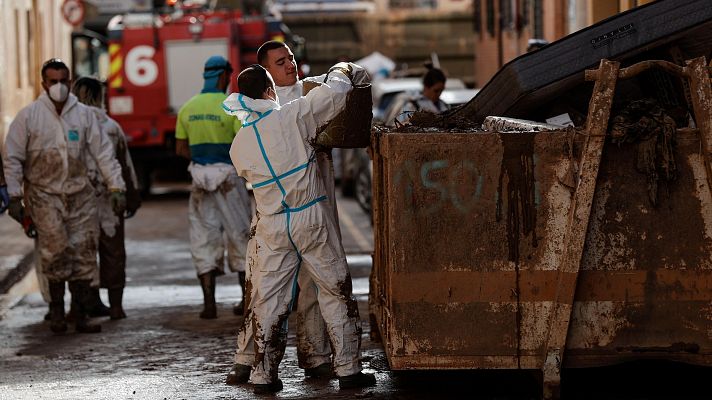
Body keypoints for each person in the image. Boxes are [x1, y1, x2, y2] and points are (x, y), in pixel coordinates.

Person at [223, 63, 376, 393]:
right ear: (268, 91)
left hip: (273, 224)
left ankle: (264, 376)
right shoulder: (293, 115)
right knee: (334, 290)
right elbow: (337, 93)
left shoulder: (239, 144)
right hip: (309, 217)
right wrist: (340, 69)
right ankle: (348, 368)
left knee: (269, 302)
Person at [225, 40, 337, 386]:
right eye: (280, 61)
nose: (290, 64)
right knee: (261, 289)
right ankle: (247, 358)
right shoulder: (259, 110)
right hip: (273, 215)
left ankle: (315, 355)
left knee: (316, 287)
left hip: (315, 204)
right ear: (266, 75)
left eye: (290, 58)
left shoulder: (311, 91)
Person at [2, 58, 126, 334]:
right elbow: (13, 158)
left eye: (63, 80)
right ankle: (57, 312)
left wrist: (116, 187)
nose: (58, 86)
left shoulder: (83, 116)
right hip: (45, 197)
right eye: (53, 81)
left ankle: (80, 314)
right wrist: (13, 196)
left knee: (83, 253)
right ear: (44, 83)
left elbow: (103, 153)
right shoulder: (29, 117)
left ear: (70, 81)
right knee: (55, 251)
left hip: (80, 196)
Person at [175, 55, 251, 319]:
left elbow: (181, 149)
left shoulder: (187, 108)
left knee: (203, 236)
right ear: (223, 77)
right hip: (229, 177)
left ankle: (209, 304)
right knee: (240, 234)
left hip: (199, 178)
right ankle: (245, 301)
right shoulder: (231, 106)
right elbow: (244, 143)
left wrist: (203, 161)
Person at [72, 77, 141, 320]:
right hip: (110, 198)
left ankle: (81, 306)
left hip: (79, 200)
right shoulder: (111, 126)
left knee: (81, 250)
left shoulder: (71, 124)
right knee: (113, 250)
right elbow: (125, 165)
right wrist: (131, 197)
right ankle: (115, 306)